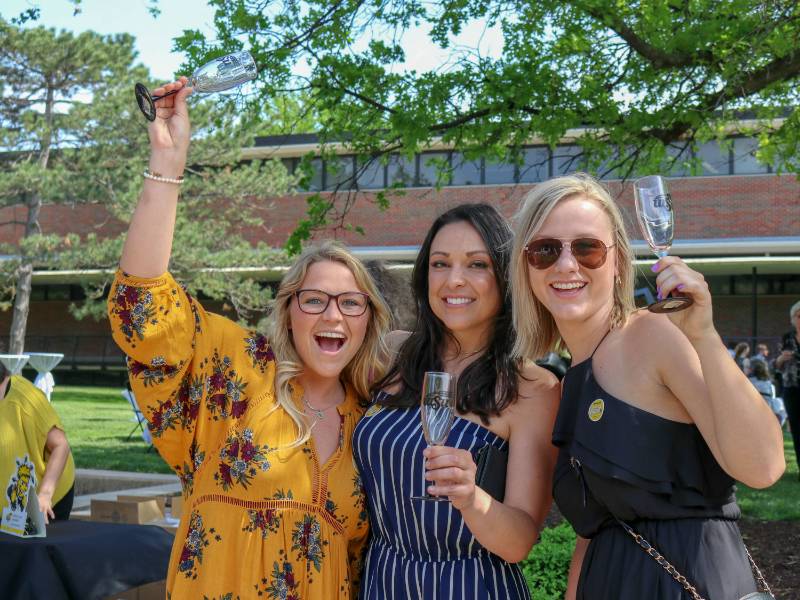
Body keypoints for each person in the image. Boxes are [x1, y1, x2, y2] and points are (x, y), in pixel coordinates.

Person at [107, 78, 391, 598]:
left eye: (351, 303)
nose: (334, 314)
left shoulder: (372, 421)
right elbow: (144, 312)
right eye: (314, 299)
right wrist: (168, 166)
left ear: (368, 320)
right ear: (288, 313)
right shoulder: (237, 369)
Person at [510, 174, 785, 600]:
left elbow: (763, 468)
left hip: (691, 582)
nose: (566, 265)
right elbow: (595, 529)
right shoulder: (569, 382)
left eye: (587, 248)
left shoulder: (652, 335)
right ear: (526, 267)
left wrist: (705, 336)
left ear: (618, 259)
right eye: (545, 250)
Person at [353, 203, 560, 599]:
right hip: (383, 580)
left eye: (477, 265)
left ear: (505, 277)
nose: (454, 280)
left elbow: (518, 542)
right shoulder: (390, 356)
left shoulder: (534, 389)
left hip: (469, 586)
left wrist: (471, 497)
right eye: (440, 264)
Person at [0, 364, 75, 526]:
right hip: (10, 508)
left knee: (37, 550)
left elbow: (60, 446)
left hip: (48, 498)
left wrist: (45, 495)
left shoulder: (26, 397)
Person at [775, 300, 800, 476]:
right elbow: (777, 366)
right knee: (797, 429)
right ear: (792, 318)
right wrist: (781, 359)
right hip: (791, 389)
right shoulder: (787, 338)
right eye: (798, 315)